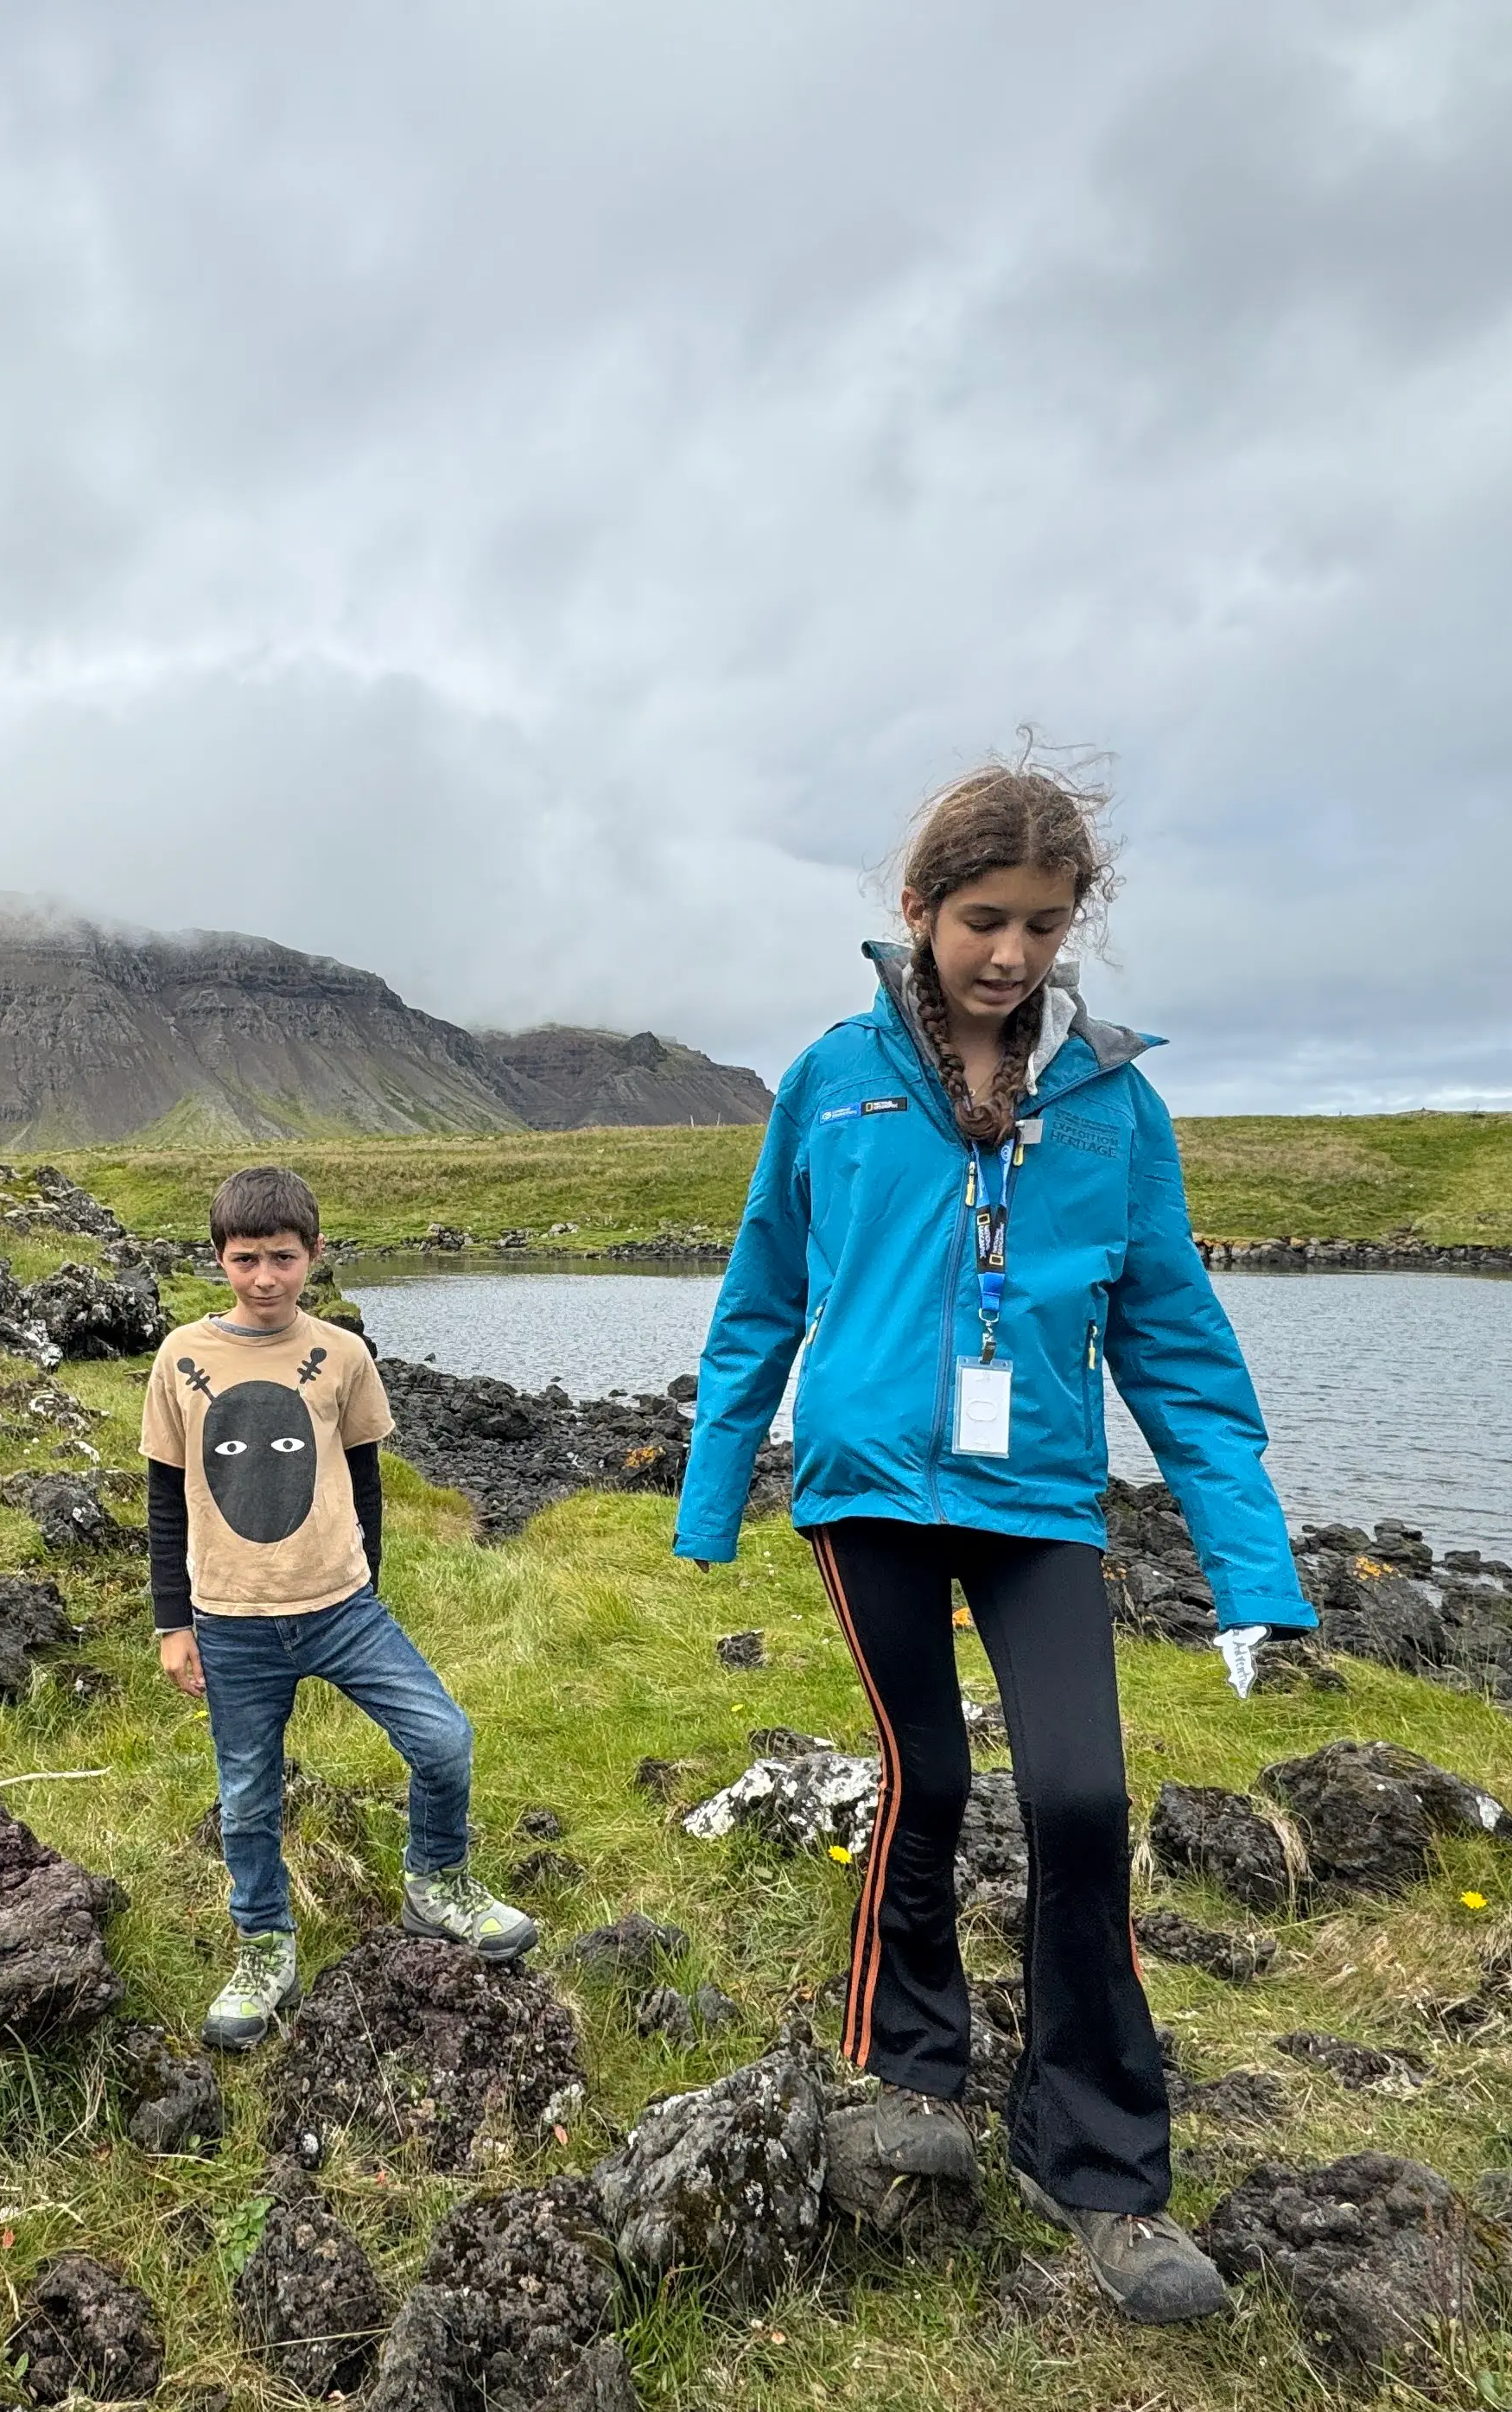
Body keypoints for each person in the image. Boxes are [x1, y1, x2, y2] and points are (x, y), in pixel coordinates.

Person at [673, 754, 1317, 2324]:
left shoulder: (1112, 1102)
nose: (1011, 953)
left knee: (1084, 1800)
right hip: (866, 1488)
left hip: (1035, 1496)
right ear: (916, 911)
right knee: (930, 1779)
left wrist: (1250, 1565)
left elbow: (1173, 1339)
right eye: (981, 919)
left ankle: (1097, 2163)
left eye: (1041, 921)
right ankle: (907, 2068)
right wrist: (711, 1486)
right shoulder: (834, 1076)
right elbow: (764, 1288)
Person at [148, 1163, 539, 2049]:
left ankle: (436, 1883)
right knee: (247, 1798)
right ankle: (263, 1943)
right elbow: (164, 1496)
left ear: (315, 1255)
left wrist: (366, 1580)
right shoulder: (181, 1357)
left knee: (443, 1739)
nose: (264, 1277)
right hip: (230, 1623)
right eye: (245, 1259)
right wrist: (174, 1624)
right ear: (219, 1259)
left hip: (342, 1609)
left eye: (282, 1257)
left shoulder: (344, 1356)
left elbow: (365, 1482)